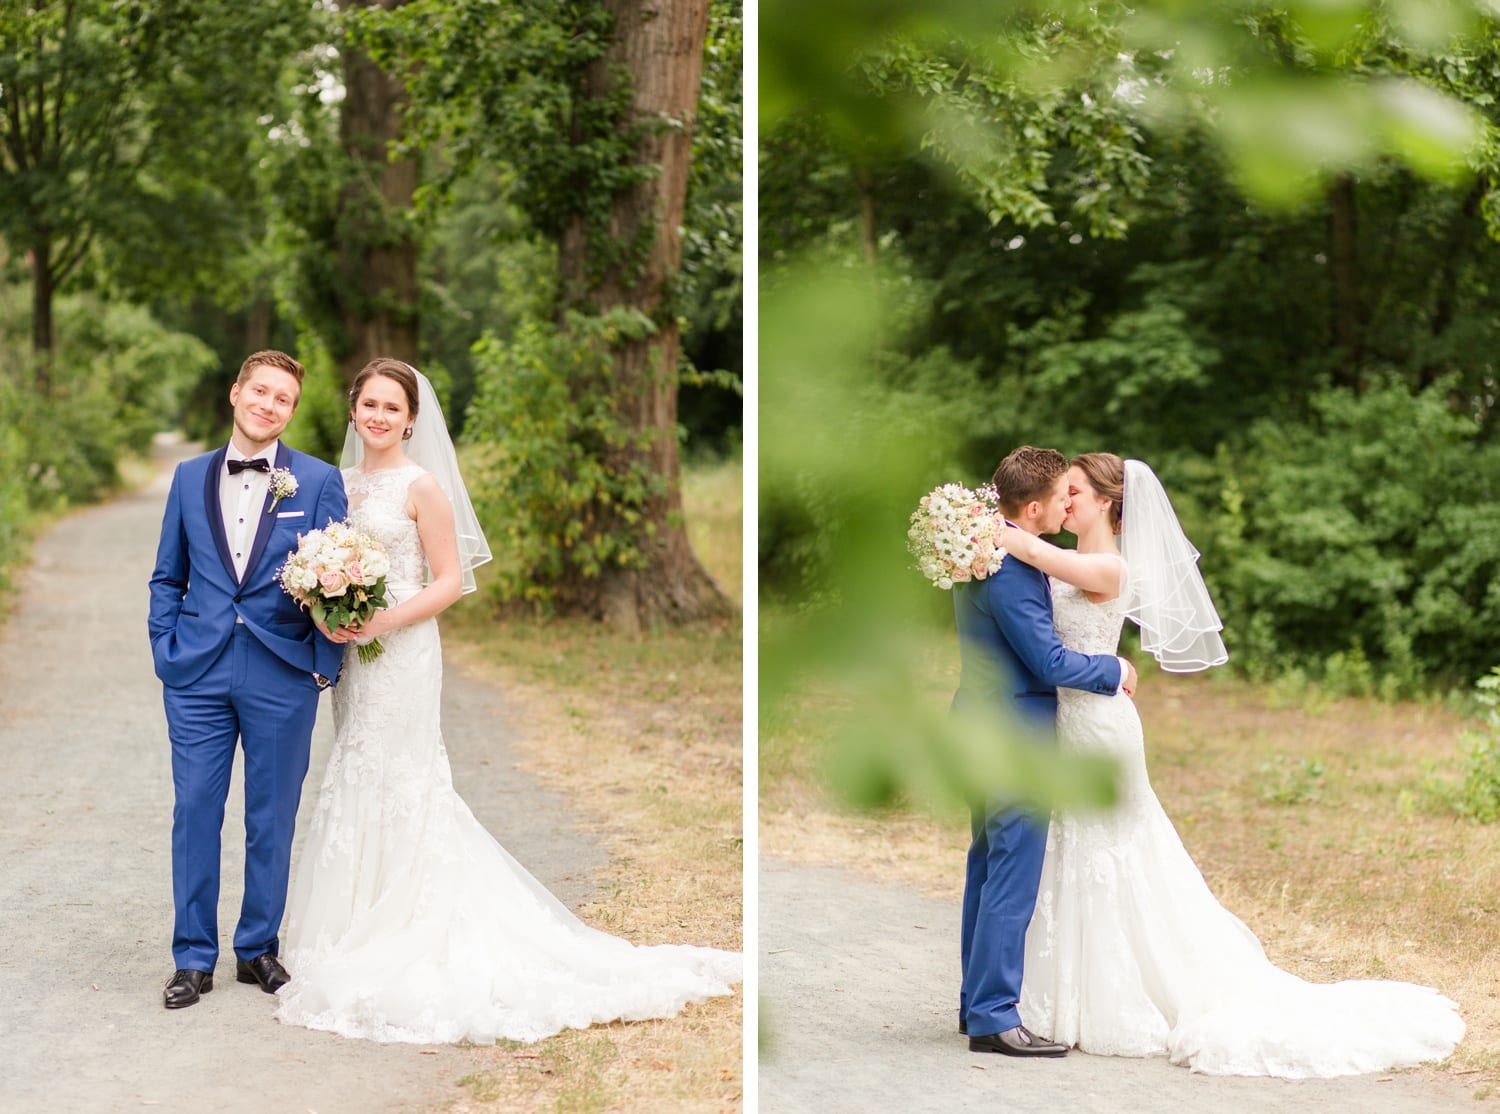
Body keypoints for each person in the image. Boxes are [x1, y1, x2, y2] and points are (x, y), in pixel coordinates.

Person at [273, 358, 741, 1043]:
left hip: (402, 652)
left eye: (391, 407)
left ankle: (409, 919)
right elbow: (316, 570)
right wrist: (326, 610)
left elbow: (451, 581)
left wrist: (385, 617)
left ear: (410, 418)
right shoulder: (335, 484)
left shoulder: (421, 487)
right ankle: (350, 921)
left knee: (403, 772)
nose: (378, 416)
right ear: (352, 410)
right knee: (355, 761)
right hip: (355, 654)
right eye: (368, 404)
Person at [999, 452, 1465, 1076]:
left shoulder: (1108, 564)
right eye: (1063, 493)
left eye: (1076, 490)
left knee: (1112, 849)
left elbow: (1035, 553)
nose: (1065, 500)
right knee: (1071, 847)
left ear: (1108, 502)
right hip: (1067, 719)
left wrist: (988, 526)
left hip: (1100, 726)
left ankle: (1113, 995)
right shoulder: (1072, 556)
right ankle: (1054, 993)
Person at [148, 350, 348, 1009]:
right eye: (259, 390)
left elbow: (342, 579)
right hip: (197, 672)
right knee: (195, 811)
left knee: (271, 816)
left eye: (282, 398)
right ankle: (192, 958)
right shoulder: (185, 478)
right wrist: (165, 648)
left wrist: (322, 665)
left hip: (281, 673)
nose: (268, 404)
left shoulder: (317, 482)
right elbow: (167, 575)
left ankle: (258, 948)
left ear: (291, 411)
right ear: (236, 394)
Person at [952, 446, 1138, 1056]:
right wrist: (1113, 670)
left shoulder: (991, 548)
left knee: (987, 866)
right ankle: (992, 1016)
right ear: (1034, 507)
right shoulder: (1006, 563)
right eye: (1062, 496)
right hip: (1014, 735)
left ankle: (975, 1003)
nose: (1067, 504)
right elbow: (1047, 661)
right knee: (1008, 874)